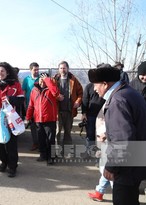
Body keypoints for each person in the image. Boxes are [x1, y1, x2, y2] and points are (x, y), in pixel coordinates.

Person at [88, 63, 146, 205]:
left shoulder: (117, 100)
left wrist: (111, 166)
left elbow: (123, 140)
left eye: (96, 85)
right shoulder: (129, 92)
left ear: (105, 84)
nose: (94, 89)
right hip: (137, 160)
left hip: (127, 167)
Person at [0, 62, 24, 177]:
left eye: (2, 71)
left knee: (11, 145)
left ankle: (12, 166)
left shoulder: (15, 84)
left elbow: (21, 100)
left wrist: (10, 98)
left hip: (11, 120)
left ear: (7, 72)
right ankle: (4, 161)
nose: (0, 73)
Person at [25, 72, 60, 165]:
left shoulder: (51, 89)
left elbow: (56, 93)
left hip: (50, 119)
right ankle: (43, 155)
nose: (42, 82)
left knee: (50, 140)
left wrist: (48, 81)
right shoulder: (34, 90)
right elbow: (31, 105)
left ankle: (51, 157)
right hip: (38, 120)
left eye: (44, 80)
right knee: (41, 139)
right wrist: (28, 117)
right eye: (41, 79)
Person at [53, 61, 83, 145]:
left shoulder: (73, 80)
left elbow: (80, 93)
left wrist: (77, 101)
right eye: (61, 68)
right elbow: (50, 93)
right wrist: (57, 96)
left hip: (69, 110)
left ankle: (66, 149)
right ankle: (56, 150)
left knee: (68, 131)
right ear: (58, 69)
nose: (63, 70)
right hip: (58, 111)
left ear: (67, 69)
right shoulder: (54, 80)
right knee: (57, 132)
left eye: (64, 68)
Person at [80, 82, 105, 158]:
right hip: (90, 115)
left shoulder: (105, 86)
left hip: (103, 116)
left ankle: (99, 156)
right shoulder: (89, 86)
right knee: (90, 135)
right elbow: (85, 100)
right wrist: (84, 113)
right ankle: (88, 152)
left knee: (101, 136)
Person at [22, 62, 39, 151]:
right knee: (33, 126)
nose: (36, 71)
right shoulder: (26, 80)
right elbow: (24, 92)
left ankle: (42, 143)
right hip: (30, 107)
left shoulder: (41, 78)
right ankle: (35, 143)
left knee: (40, 126)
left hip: (40, 108)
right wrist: (25, 104)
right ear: (30, 70)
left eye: (37, 69)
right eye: (34, 69)